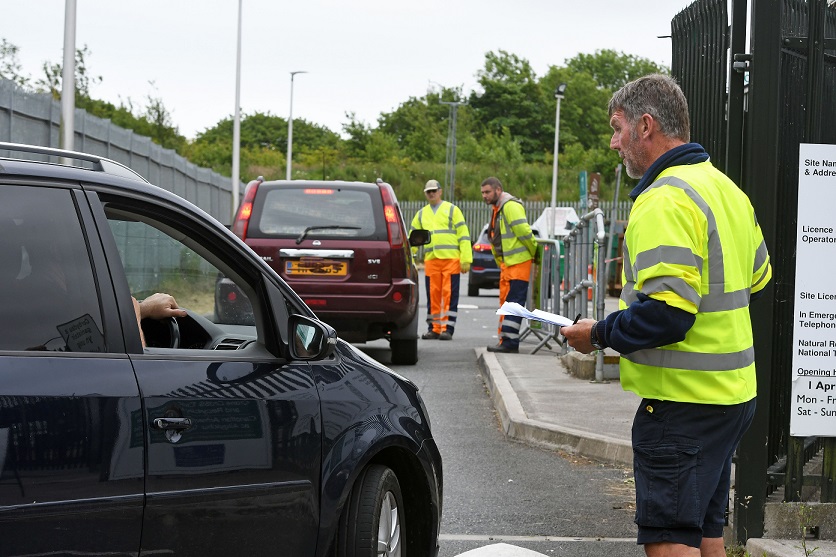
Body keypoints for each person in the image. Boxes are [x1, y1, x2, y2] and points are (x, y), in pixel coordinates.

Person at [561, 74, 772, 557]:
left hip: (682, 405)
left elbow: (668, 315)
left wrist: (598, 334)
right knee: (707, 534)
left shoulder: (664, 198)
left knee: (671, 539)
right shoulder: (725, 190)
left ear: (646, 125)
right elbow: (758, 283)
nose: (613, 142)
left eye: (617, 129)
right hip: (733, 396)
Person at [480, 176, 537, 353]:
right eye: (482, 193)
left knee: (514, 303)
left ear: (498, 190)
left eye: (487, 192)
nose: (484, 196)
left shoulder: (510, 206)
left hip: (519, 263)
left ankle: (510, 343)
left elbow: (524, 232)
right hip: (510, 265)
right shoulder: (499, 208)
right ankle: (506, 339)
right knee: (509, 303)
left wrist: (535, 252)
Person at [410, 179, 472, 340]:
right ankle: (434, 328)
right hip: (432, 260)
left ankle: (448, 328)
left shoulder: (452, 210)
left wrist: (466, 258)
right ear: (425, 193)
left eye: (434, 191)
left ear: (440, 191)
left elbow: (463, 235)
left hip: (451, 260)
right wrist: (408, 255)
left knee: (449, 294)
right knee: (433, 295)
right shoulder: (421, 214)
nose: (431, 194)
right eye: (428, 191)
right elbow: (414, 237)